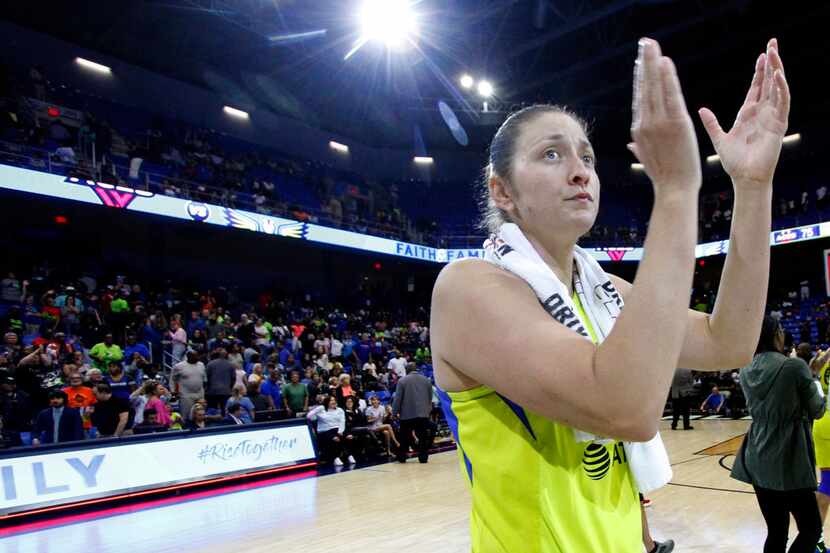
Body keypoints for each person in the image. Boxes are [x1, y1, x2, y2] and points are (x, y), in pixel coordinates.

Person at [429, 37, 789, 551]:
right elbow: (626, 409)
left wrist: (753, 188)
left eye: (587, 156)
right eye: (551, 153)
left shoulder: (603, 290)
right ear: (502, 191)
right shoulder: (468, 288)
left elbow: (726, 340)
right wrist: (677, 190)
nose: (580, 171)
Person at [732, 315, 825, 552]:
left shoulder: (745, 368)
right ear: (776, 334)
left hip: (756, 453)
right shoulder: (794, 366)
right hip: (789, 454)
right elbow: (817, 410)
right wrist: (812, 376)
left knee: (776, 531)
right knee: (811, 528)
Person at [393, 362, 433, 463]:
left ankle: (402, 457)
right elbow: (430, 398)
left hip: (407, 415)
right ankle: (423, 458)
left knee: (404, 437)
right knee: (423, 437)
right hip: (423, 414)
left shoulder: (402, 381)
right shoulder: (426, 380)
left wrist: (394, 412)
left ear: (407, 370)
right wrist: (427, 410)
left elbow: (398, 399)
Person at [811, 347, 830, 552]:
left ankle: (814, 539)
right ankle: (814, 539)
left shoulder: (824, 356)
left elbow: (812, 370)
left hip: (822, 420)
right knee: (827, 485)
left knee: (827, 483)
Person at [307, 395, 349, 466]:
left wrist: (340, 432)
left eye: (334, 400)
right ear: (327, 402)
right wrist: (317, 413)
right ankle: (335, 458)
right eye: (331, 400)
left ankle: (349, 455)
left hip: (337, 430)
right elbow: (309, 416)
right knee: (334, 438)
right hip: (324, 431)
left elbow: (342, 421)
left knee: (348, 436)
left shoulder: (339, 410)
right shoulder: (321, 408)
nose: (334, 402)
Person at [172, 350, 207, 421]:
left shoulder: (201, 365)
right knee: (186, 416)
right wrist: (173, 391)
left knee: (200, 415)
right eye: (195, 356)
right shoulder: (179, 366)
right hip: (186, 395)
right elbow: (172, 379)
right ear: (188, 357)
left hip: (200, 394)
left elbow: (205, 379)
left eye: (197, 355)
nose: (197, 357)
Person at [0, 374, 33, 446]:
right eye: (8, 384)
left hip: (22, 425)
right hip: (6, 426)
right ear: (3, 384)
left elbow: (29, 410)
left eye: (12, 384)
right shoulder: (1, 396)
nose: (10, 386)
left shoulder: (23, 395)